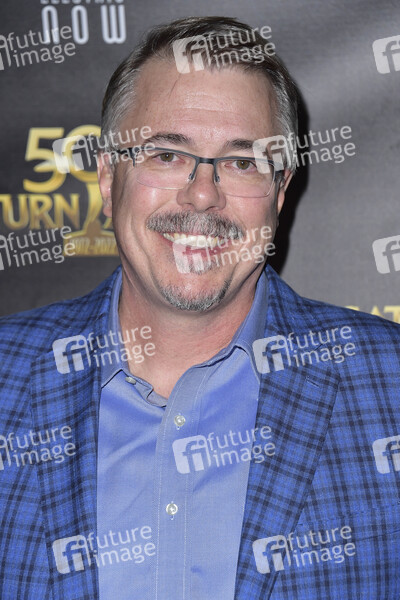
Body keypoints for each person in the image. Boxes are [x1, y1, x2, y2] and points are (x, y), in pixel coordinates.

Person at [0, 15, 399, 600]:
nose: (203, 194)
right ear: (108, 179)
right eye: (166, 154)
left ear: (280, 193)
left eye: (242, 162)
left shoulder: (391, 385)